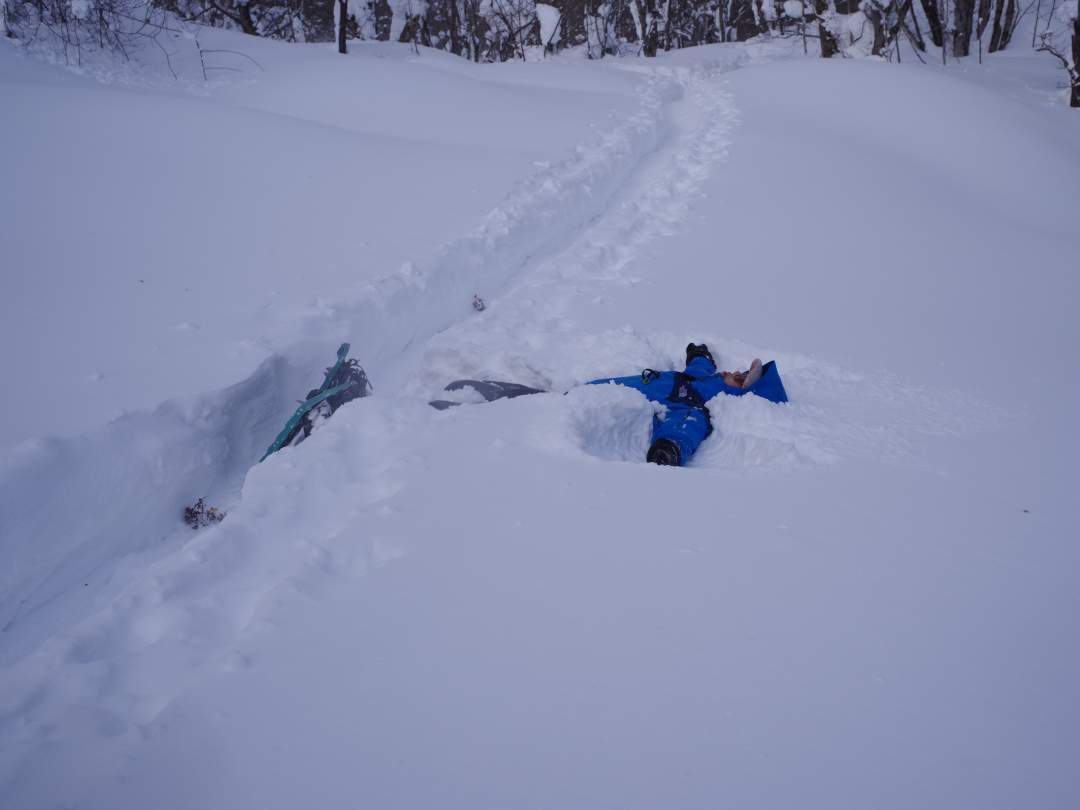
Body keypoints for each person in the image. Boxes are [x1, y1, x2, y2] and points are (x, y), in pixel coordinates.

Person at [587, 343, 787, 467]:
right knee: (581, 393)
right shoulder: (701, 380)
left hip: (604, 404)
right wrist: (700, 356)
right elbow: (699, 368)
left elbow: (685, 427)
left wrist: (670, 447)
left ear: (737, 394)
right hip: (601, 387)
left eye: (737, 378)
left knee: (576, 403)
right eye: (738, 371)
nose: (730, 372)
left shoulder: (696, 407)